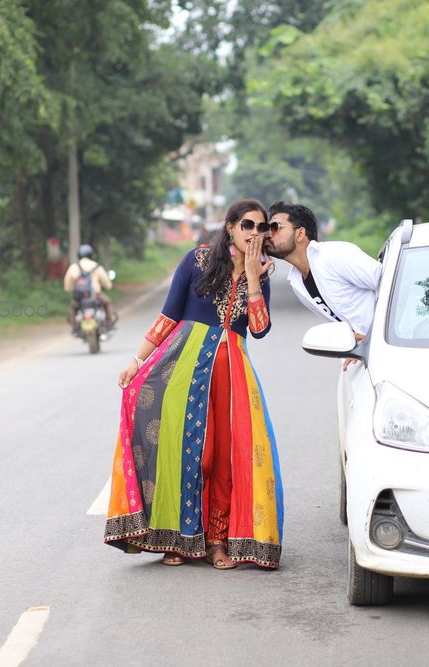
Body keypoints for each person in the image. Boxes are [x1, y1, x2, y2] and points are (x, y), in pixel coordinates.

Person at [104, 199, 283, 571]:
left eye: (261, 227)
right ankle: (179, 539)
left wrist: (252, 276)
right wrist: (136, 361)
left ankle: (217, 542)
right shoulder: (197, 260)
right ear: (230, 227)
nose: (254, 233)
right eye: (247, 225)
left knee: (223, 458)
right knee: (186, 451)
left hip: (232, 374)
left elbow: (260, 330)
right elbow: (169, 315)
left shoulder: (262, 275)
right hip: (182, 369)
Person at [263, 202, 381, 367]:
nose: (268, 234)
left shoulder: (336, 255)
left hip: (392, 348)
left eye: (276, 227)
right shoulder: (297, 282)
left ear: (300, 233)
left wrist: (376, 337)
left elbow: (394, 285)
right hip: (363, 359)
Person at [63, 244, 117, 329]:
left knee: (73, 307)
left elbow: (67, 286)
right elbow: (107, 283)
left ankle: (75, 328)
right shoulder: (96, 266)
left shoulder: (73, 267)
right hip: (96, 296)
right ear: (91, 255)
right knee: (108, 302)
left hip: (79, 298)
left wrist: (71, 289)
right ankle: (109, 323)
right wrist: (109, 286)